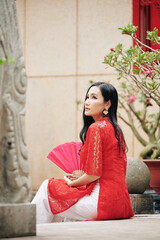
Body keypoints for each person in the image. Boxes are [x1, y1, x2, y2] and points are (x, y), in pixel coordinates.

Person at [32, 82, 134, 223]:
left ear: (107, 104)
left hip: (101, 203)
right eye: (87, 97)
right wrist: (80, 178)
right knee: (54, 199)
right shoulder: (116, 130)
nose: (87, 102)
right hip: (121, 203)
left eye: (94, 97)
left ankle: (32, 232)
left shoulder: (96, 128)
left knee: (46, 188)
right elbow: (107, 171)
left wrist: (71, 183)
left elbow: (94, 174)